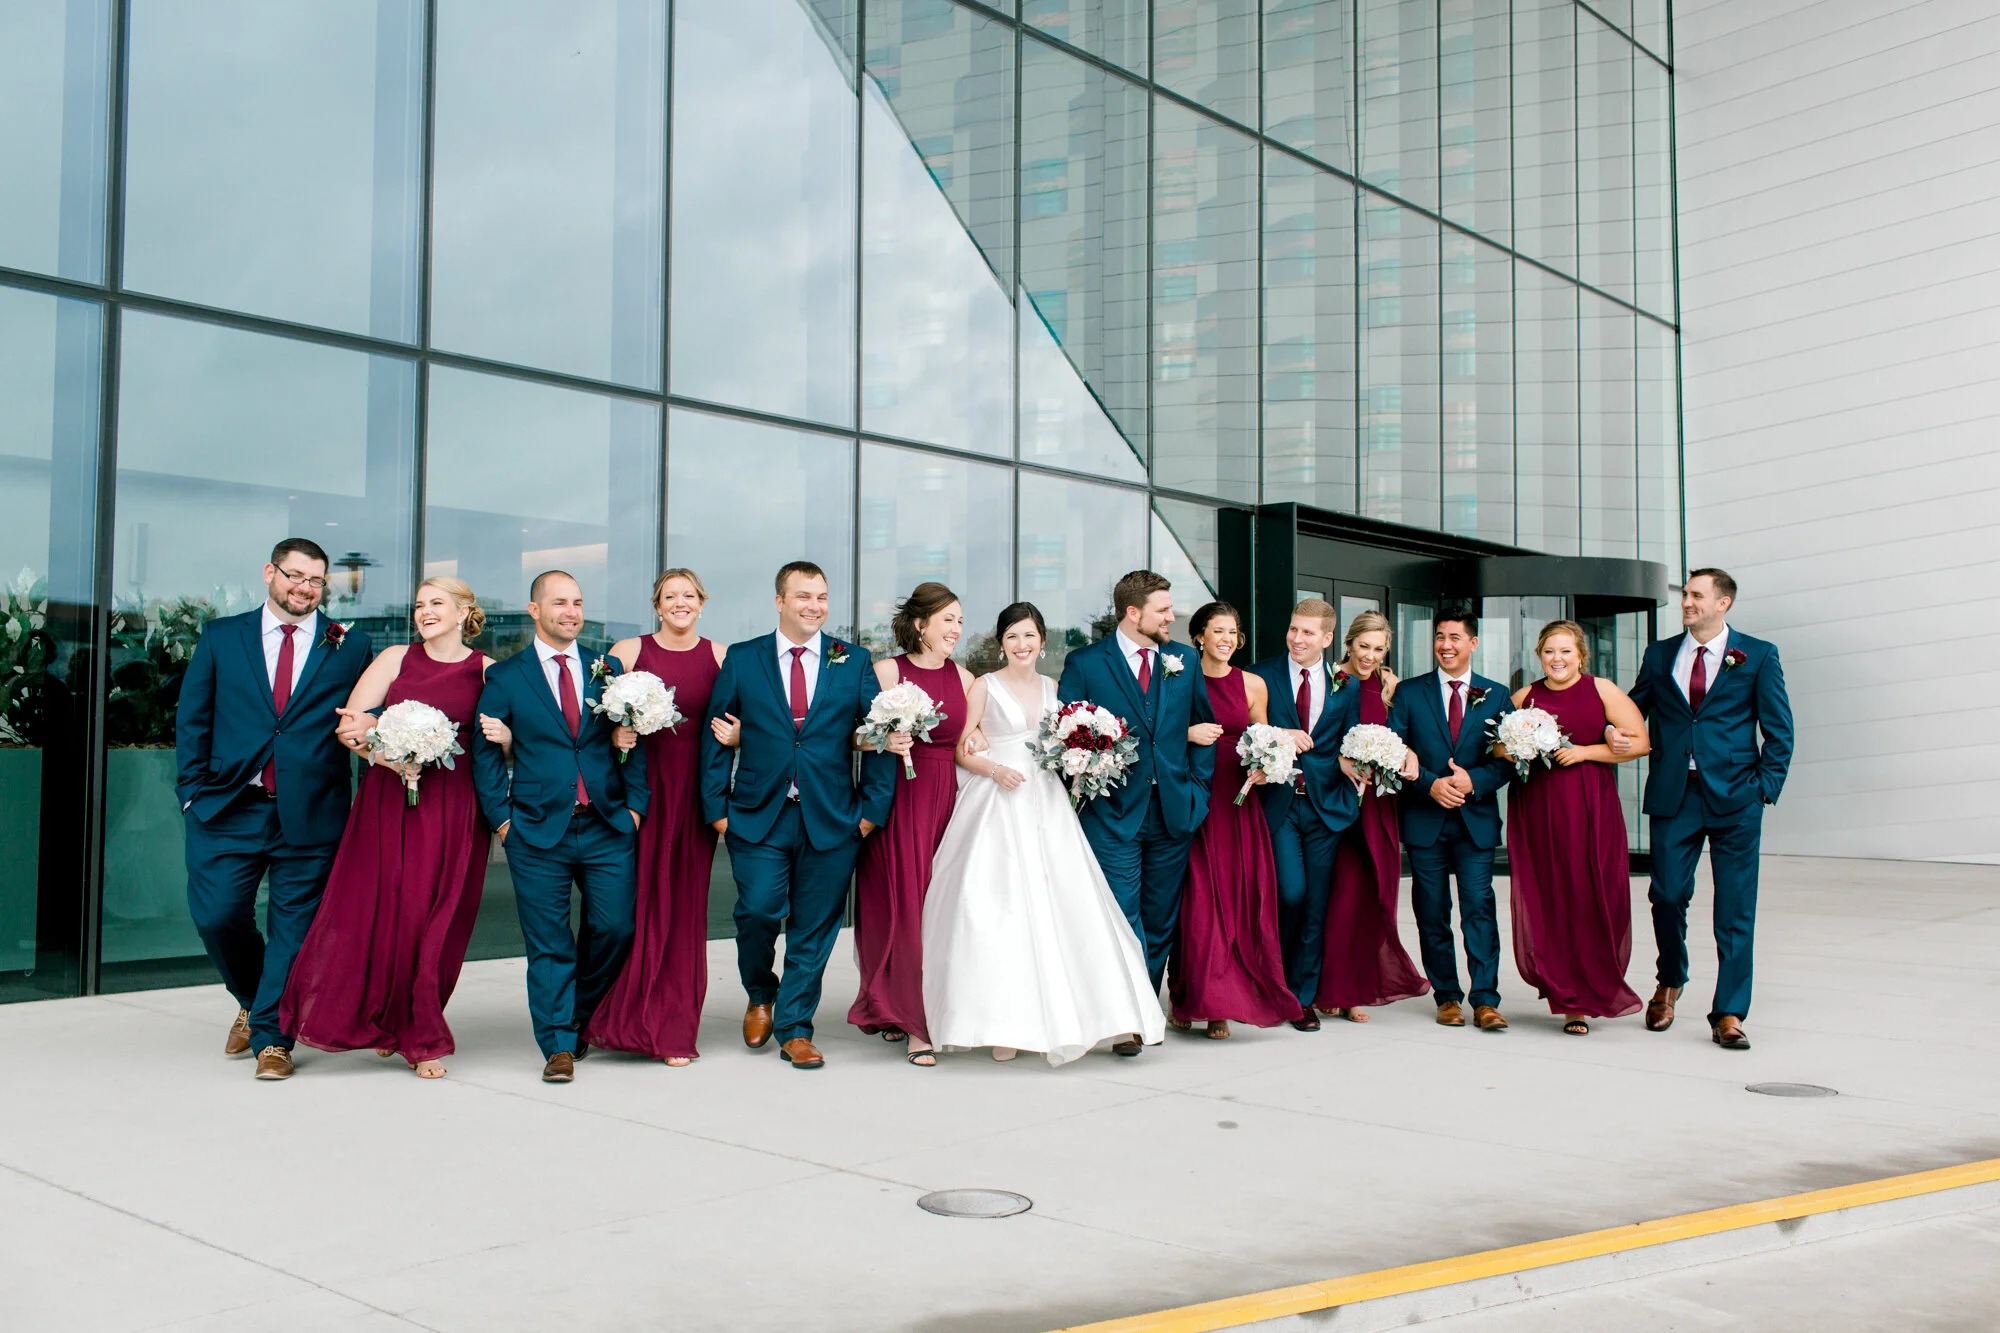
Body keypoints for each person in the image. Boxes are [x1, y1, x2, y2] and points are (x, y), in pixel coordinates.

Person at [923, 603, 1164, 1064]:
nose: (1021, 644)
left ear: (1042, 641)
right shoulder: (984, 686)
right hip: (999, 800)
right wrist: (994, 769)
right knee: (1002, 907)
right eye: (1012, 636)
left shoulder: (1055, 689)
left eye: (1029, 636)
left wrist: (1086, 760)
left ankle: (1071, 1017)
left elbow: (1065, 741)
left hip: (1048, 802)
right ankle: (1002, 1025)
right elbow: (960, 749)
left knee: (1064, 905)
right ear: (1000, 644)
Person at [174, 537, 374, 1080]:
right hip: (226, 805)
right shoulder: (221, 636)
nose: (305, 588)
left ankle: (273, 1039)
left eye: (316, 580)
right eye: (295, 576)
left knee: (294, 931)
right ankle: (253, 998)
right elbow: (193, 719)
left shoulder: (350, 645)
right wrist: (191, 792)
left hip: (312, 811)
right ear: (270, 573)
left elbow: (367, 717)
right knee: (217, 916)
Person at [281, 578, 492, 1078]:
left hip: (455, 806)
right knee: (386, 912)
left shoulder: (488, 670)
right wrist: (388, 756)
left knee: (438, 918)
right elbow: (348, 726)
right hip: (389, 801)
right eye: (419, 605)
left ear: (464, 612)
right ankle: (389, 1021)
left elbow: (512, 737)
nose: (425, 612)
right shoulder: (396, 658)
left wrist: (504, 737)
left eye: (436, 603)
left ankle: (418, 1028)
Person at [702, 561, 895, 1071]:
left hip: (833, 818)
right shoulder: (743, 658)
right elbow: (717, 734)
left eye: (822, 597)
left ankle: (795, 1028)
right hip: (757, 816)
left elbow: (879, 734)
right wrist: (717, 809)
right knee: (758, 911)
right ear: (780, 601)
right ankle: (760, 992)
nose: (814, 605)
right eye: (804, 596)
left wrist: (870, 812)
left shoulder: (853, 660)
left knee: (815, 927)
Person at [471, 571, 648, 1084]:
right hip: (535, 831)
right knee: (548, 942)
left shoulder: (608, 669)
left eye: (578, 603)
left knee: (616, 928)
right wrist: (503, 821)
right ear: (535, 611)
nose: (571, 612)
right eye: (559, 603)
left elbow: (633, 736)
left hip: (607, 824)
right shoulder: (506, 677)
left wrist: (635, 808)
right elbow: (485, 755)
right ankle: (557, 1045)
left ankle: (577, 1015)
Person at [1618, 569, 1793, 1050]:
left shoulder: (1758, 654)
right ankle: (1670, 979)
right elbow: (1632, 710)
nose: (1687, 602)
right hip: (1675, 795)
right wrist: (1607, 730)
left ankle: (1730, 1011)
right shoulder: (1659, 655)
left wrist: (1763, 789)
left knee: (1735, 908)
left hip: (1737, 797)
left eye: (1697, 595)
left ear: (1723, 603)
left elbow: (1780, 730)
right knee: (1667, 894)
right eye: (1685, 595)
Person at [1056, 570, 1214, 1055]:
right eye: (1163, 610)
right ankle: (1127, 1018)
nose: (1171, 617)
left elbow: (1202, 726)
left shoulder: (1184, 659)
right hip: (1111, 812)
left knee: (1160, 919)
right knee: (1122, 915)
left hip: (1173, 810)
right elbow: (1065, 737)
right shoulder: (1086, 663)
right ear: (1132, 613)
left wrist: (1198, 792)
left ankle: (1143, 1007)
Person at [580, 570, 732, 1067]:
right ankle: (608, 1018)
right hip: (635, 795)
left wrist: (740, 737)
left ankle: (671, 1028)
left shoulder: (721, 656)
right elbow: (587, 718)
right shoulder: (628, 652)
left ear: (702, 603)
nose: (680, 603)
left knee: (683, 909)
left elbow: (756, 719)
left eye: (689, 595)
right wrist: (614, 735)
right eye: (670, 596)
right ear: (657, 605)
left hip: (692, 797)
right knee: (628, 907)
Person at [1503, 621, 1650, 1035]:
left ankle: (1591, 986)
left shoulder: (1602, 690)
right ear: (1539, 655)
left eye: (1566, 651)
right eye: (1550, 651)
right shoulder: (1524, 697)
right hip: (1538, 809)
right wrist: (1519, 747)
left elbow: (1641, 743)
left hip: (1590, 809)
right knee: (1550, 897)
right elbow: (1495, 746)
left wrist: (1585, 752)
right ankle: (1567, 998)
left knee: (1590, 894)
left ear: (1581, 656)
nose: (1557, 659)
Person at [848, 582, 972, 1067]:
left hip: (950, 803)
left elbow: (972, 738)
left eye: (960, 621)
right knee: (901, 908)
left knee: (938, 908)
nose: (956, 629)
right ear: (921, 624)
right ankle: (911, 1020)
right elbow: (851, 735)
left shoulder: (966, 678)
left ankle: (907, 1005)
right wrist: (881, 738)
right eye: (947, 620)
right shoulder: (885, 672)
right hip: (899, 800)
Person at [1168, 601, 1296, 1039]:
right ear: (1199, 636)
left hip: (1239, 803)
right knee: (1197, 904)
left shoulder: (1254, 684)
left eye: (1232, 631)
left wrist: (1267, 766)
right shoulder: (1179, 679)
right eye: (1217, 630)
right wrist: (1187, 734)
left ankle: (1221, 1002)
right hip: (1196, 799)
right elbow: (1160, 735)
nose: (1226, 639)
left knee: (1237, 900)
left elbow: (1265, 738)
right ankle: (1188, 994)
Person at [1246, 599, 1369, 1030]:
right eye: (1293, 629)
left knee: (1316, 905)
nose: (1297, 638)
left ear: (1328, 638)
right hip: (1278, 804)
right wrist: (1281, 734)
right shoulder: (1260, 675)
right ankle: (1272, 984)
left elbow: (1347, 742)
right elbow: (1245, 730)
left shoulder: (1346, 685)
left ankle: (1302, 999)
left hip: (1325, 807)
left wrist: (1356, 766)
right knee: (1290, 894)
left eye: (1308, 632)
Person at [1391, 609, 1515, 1032]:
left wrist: (1473, 781)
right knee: (1432, 910)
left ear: (1473, 643)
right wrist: (1430, 785)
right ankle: (1446, 996)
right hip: (1424, 819)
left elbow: (1507, 761)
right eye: (1440, 636)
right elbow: (1394, 750)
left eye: (1455, 637)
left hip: (1475, 821)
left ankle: (1486, 1000)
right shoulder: (1409, 693)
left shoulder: (1497, 695)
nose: (1446, 645)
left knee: (1479, 908)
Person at [1313, 611, 1428, 1023]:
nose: (1370, 656)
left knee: (1372, 896)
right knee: (1338, 897)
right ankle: (1329, 987)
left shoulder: (1391, 686)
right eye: (1364, 646)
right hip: (1335, 799)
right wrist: (1340, 761)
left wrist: (1409, 754)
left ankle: (1354, 990)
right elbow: (1318, 739)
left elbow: (1404, 736)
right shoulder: (1330, 679)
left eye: (1379, 649)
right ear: (1349, 642)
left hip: (1379, 806)